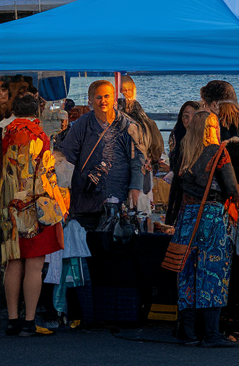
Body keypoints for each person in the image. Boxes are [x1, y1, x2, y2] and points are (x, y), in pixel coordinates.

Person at [169, 111, 239, 347]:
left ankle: (189, 333)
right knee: (212, 273)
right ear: (212, 128)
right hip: (210, 217)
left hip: (186, 217)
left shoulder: (182, 150)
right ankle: (212, 334)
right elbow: (231, 187)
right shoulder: (218, 151)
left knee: (187, 274)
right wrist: (238, 193)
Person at [3, 94, 65, 336]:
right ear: (37, 112)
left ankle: (12, 320)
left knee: (13, 263)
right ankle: (29, 321)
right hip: (33, 208)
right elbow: (45, 176)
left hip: (8, 207)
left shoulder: (6, 134)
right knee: (34, 265)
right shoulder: (39, 135)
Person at [57, 80, 145, 229]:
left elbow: (137, 160)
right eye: (98, 97)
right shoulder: (82, 124)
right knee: (88, 239)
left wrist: (136, 187)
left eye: (106, 96)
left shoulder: (127, 126)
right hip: (87, 198)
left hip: (118, 197)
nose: (103, 101)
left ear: (114, 98)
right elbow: (68, 156)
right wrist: (63, 189)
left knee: (116, 238)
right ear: (90, 100)